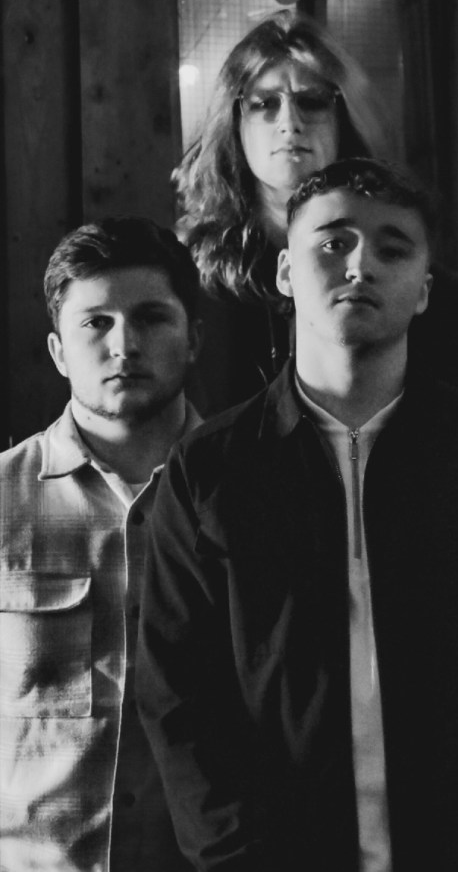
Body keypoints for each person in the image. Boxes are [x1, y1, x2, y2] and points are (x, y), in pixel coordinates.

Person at [136, 158, 458, 872]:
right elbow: (178, 697)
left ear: (425, 289)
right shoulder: (210, 469)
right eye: (333, 242)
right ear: (286, 272)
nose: (360, 264)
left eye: (392, 248)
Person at [0, 217, 202, 872]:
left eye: (151, 318)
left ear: (194, 339)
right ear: (58, 351)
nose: (125, 344)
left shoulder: (252, 495)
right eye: (96, 323)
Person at [175, 10, 458, 414]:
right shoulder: (192, 282)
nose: (290, 123)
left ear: (344, 117)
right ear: (235, 119)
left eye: (311, 102)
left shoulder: (426, 289)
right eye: (265, 103)